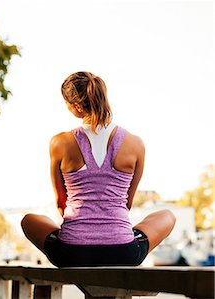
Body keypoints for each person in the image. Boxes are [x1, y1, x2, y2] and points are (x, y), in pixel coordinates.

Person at [21, 71, 176, 267]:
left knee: (29, 220)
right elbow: (126, 203)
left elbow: (61, 203)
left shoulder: (59, 142)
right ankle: (122, 237)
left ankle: (83, 239)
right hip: (123, 252)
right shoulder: (136, 144)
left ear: (77, 106)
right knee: (167, 216)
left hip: (71, 253)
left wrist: (83, 233)